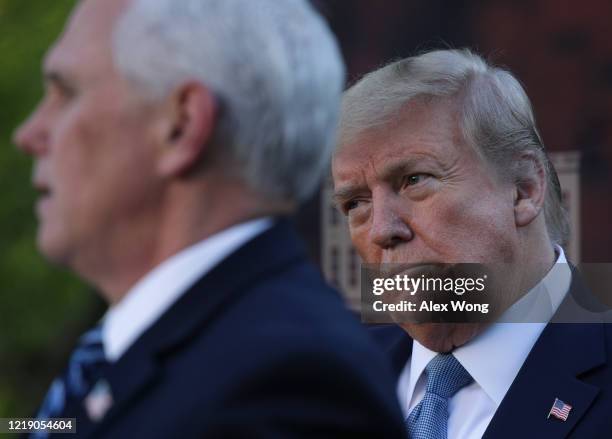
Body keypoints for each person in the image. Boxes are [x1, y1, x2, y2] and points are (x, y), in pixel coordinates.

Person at [13, 0, 407, 437]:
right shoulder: (144, 348)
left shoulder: (287, 380)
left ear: (181, 125)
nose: (29, 134)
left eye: (65, 93)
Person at [332, 48, 612, 438]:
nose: (381, 230)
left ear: (523, 190)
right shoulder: (326, 382)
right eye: (356, 203)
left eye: (414, 180)